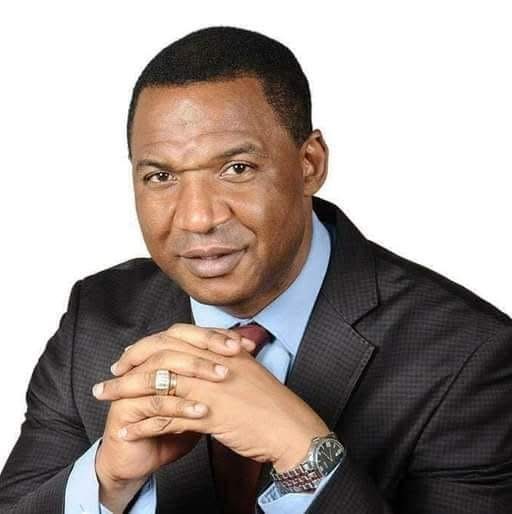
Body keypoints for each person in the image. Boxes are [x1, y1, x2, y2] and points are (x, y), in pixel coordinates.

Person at [0, 25, 511, 514]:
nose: (197, 218)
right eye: (161, 176)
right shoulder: (96, 318)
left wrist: (303, 455)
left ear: (310, 164)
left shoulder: (468, 354)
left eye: (237, 169)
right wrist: (107, 480)